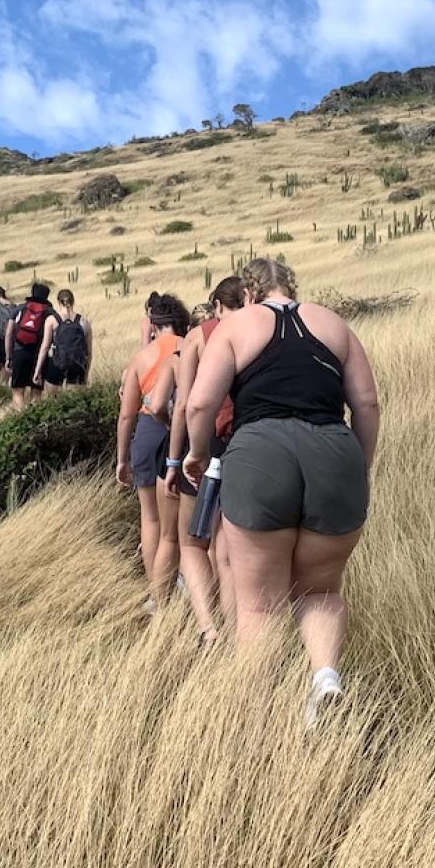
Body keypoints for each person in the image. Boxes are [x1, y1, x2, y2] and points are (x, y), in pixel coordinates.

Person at [181, 259, 380, 727]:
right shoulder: (333, 324)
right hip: (335, 451)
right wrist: (359, 466)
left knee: (259, 605)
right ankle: (325, 677)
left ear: (248, 294)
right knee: (321, 590)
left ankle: (261, 718)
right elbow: (367, 404)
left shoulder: (236, 325)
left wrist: (196, 453)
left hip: (259, 453)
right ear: (292, 287)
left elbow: (200, 403)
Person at [160, 277, 248, 646]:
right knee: (226, 553)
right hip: (248, 443)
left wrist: (174, 460)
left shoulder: (200, 336)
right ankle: (236, 634)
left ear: (218, 306)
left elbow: (184, 404)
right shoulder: (259, 329)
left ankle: (208, 628)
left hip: (207, 446)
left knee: (192, 542)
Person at [116, 293, 188, 616]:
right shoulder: (189, 346)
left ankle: (157, 594)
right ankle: (184, 581)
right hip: (182, 434)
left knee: (151, 518)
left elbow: (126, 415)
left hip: (147, 433)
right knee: (181, 521)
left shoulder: (141, 357)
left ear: (154, 325)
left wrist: (122, 459)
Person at [34, 289, 93, 391]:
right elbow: (89, 353)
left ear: (59, 302)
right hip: (77, 365)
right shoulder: (84, 322)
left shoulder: (52, 320)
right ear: (73, 301)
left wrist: (37, 370)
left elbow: (45, 347)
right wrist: (85, 374)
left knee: (53, 398)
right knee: (76, 398)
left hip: (56, 364)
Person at [6, 284, 55, 407]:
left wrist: (8, 356)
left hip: (20, 351)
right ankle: (34, 416)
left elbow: (8, 334)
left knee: (18, 390)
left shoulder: (20, 309)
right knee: (36, 391)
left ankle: (20, 415)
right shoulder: (50, 312)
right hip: (40, 356)